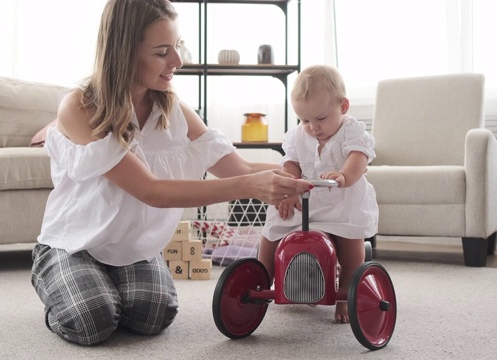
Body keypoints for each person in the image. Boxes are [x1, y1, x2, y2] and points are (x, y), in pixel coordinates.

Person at [30, 0, 313, 346]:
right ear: (124, 53)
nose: (178, 61)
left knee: (153, 315)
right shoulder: (80, 105)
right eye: (163, 52)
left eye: (177, 46)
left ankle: (104, 285)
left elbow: (239, 168)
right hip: (74, 244)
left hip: (132, 249)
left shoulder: (173, 110)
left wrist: (306, 172)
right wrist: (251, 186)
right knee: (93, 320)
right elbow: (151, 190)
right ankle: (59, 277)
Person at [257, 64, 378, 324]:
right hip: (304, 201)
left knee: (351, 246)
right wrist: (288, 188)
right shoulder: (300, 135)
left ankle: (346, 293)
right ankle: (261, 280)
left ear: (343, 107)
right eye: (305, 120)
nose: (313, 127)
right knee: (272, 229)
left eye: (320, 119)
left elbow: (359, 158)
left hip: (341, 201)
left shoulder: (351, 130)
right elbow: (291, 164)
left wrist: (344, 175)